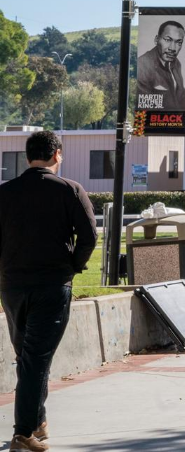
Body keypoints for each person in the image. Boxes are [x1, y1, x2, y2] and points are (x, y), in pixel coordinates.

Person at [0, 131, 98, 451]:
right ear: (56, 154)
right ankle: (23, 433)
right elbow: (89, 237)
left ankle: (38, 422)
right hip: (52, 287)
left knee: (27, 359)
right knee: (36, 360)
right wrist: (73, 265)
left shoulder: (4, 193)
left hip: (12, 288)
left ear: (29, 157)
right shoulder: (70, 190)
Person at [135, 20, 185, 111]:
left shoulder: (176, 63)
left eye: (178, 42)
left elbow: (181, 97)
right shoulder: (143, 65)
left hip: (176, 122)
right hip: (155, 122)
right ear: (157, 40)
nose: (172, 48)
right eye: (167, 40)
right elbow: (144, 105)